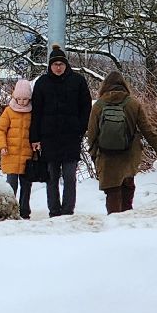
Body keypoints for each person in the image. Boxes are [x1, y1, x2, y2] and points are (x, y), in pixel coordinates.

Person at [86, 70, 157, 214]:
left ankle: (114, 224)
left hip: (107, 157)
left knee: (112, 193)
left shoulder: (98, 105)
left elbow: (92, 133)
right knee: (127, 190)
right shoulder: (133, 104)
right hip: (128, 156)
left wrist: (94, 155)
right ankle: (127, 224)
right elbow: (148, 130)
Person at [29, 45, 91, 217]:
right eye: (54, 64)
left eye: (61, 64)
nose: (58, 67)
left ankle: (68, 210)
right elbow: (36, 112)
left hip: (71, 137)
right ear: (49, 66)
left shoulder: (77, 81)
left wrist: (80, 128)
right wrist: (34, 137)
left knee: (70, 177)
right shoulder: (42, 83)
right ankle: (54, 211)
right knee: (51, 177)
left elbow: (86, 107)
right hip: (49, 138)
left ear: (66, 65)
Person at [0, 78, 37, 219]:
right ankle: (10, 211)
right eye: (19, 98)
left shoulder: (33, 112)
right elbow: (0, 130)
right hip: (10, 154)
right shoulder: (9, 111)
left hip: (27, 155)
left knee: (26, 185)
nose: (22, 102)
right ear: (14, 97)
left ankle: (24, 211)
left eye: (25, 99)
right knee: (11, 185)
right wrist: (2, 146)